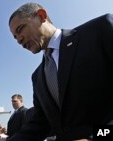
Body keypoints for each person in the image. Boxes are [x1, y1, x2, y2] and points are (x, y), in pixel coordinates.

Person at [8, 2, 113, 141]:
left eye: (20, 29)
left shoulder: (99, 30)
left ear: (41, 15)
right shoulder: (37, 77)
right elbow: (40, 124)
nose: (19, 40)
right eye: (15, 37)